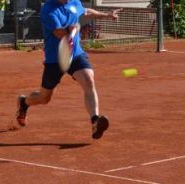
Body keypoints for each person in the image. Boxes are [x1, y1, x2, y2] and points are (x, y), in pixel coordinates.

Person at [16, 0, 121, 139]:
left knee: (88, 80)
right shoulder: (49, 9)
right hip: (56, 58)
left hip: (76, 54)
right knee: (44, 98)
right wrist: (72, 29)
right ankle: (24, 103)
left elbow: (86, 11)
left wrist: (106, 15)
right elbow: (59, 32)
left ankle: (95, 120)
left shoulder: (74, 2)